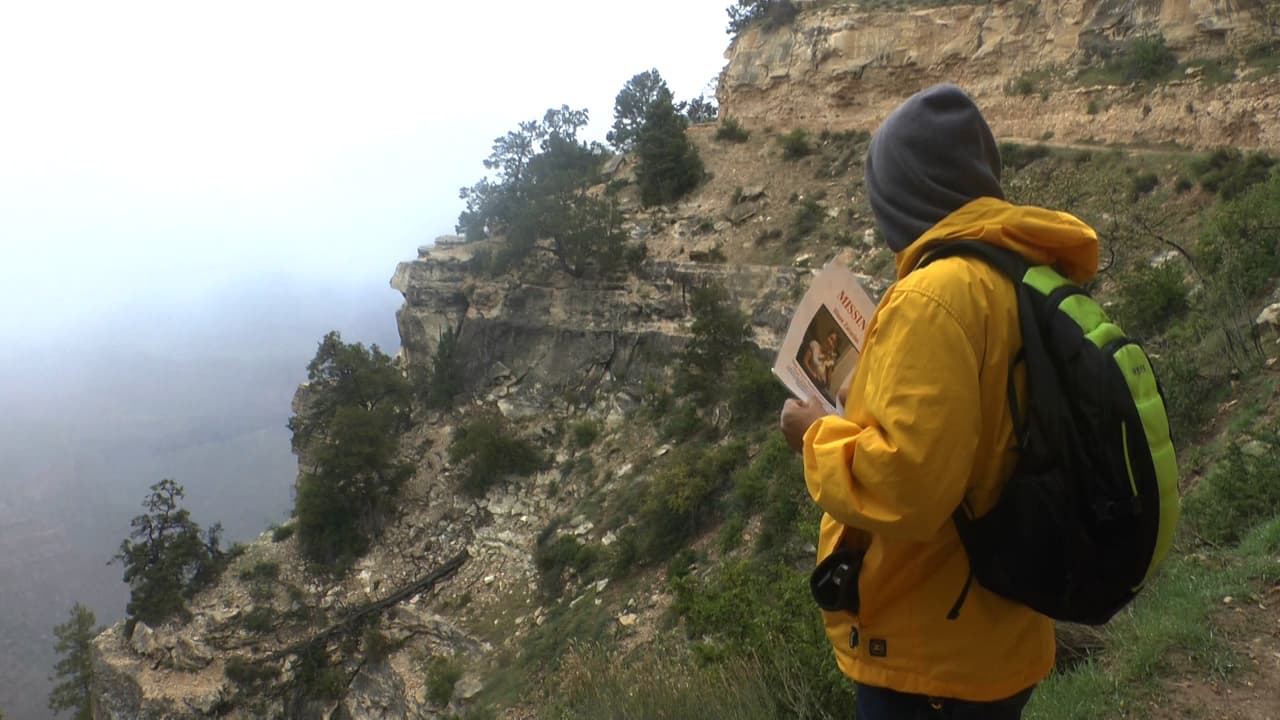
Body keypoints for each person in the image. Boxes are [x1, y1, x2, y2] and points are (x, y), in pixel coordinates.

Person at [779, 83, 1100, 719]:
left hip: (932, 650)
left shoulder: (935, 295)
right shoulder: (1020, 270)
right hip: (998, 627)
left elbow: (906, 485)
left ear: (904, 194)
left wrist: (814, 435)